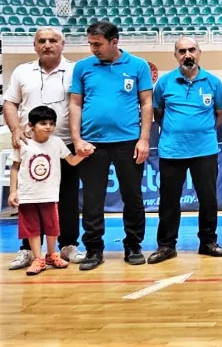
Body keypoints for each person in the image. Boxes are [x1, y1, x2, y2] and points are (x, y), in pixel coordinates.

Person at [70, 20, 154, 270]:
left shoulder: (138, 65)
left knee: (133, 196)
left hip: (128, 142)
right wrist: (77, 139)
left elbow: (146, 103)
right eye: (90, 44)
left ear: (114, 42)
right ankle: (94, 249)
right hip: (92, 143)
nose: (93, 49)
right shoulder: (82, 67)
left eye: (98, 44)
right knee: (92, 199)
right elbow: (75, 103)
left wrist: (144, 139)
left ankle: (133, 245)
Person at [3, 27, 84, 270]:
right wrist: (16, 130)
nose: (47, 44)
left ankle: (67, 246)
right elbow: (10, 103)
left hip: (63, 143)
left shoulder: (75, 70)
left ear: (63, 44)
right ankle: (28, 250)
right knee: (30, 200)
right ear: (35, 45)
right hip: (30, 146)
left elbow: (83, 103)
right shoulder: (22, 71)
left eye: (52, 40)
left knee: (67, 199)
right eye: (42, 41)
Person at [147, 37, 222, 264]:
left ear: (199, 52)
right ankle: (166, 246)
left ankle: (208, 242)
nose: (187, 55)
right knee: (169, 201)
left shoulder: (213, 83)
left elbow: (220, 114)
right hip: (172, 151)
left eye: (192, 50)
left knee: (208, 199)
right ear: (176, 55)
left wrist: (201, 131)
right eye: (182, 51)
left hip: (205, 150)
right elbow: (158, 113)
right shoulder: (164, 83)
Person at [8, 106, 90, 275]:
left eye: (52, 123)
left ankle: (51, 255)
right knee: (32, 228)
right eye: (43, 123)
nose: (48, 127)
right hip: (28, 195)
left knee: (52, 226)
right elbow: (15, 168)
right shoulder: (23, 144)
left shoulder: (57, 142)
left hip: (50, 194)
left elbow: (72, 161)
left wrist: (82, 155)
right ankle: (38, 259)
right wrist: (13, 191)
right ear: (31, 125)